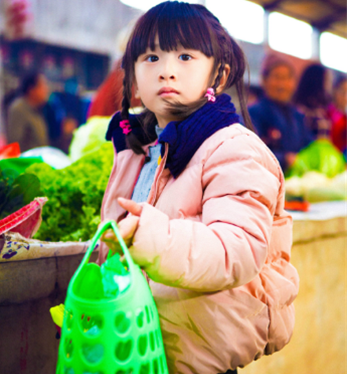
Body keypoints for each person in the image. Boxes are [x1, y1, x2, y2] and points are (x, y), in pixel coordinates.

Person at [99, 2, 299, 373]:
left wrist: (152, 239)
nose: (167, 71)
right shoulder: (140, 149)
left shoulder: (234, 149)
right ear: (132, 75)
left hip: (198, 352)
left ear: (218, 74)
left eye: (186, 56)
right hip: (143, 346)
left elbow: (236, 250)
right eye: (151, 57)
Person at [248, 55, 313, 171]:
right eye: (277, 77)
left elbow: (309, 146)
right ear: (264, 80)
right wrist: (284, 159)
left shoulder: (298, 116)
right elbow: (249, 152)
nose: (282, 85)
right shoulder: (252, 113)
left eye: (287, 78)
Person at [6, 72, 50, 152]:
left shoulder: (37, 109)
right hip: (27, 163)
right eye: (43, 86)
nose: (46, 89)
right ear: (31, 89)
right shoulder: (19, 109)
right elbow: (14, 144)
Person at [293, 63, 332, 140]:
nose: (329, 85)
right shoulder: (301, 111)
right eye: (327, 80)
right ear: (317, 82)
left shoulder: (321, 109)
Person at [327, 76, 347, 155]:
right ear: (334, 90)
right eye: (343, 91)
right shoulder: (326, 112)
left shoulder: (345, 117)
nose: (345, 97)